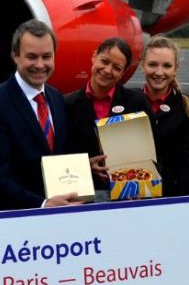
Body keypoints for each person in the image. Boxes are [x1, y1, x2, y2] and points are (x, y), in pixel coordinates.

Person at [0, 19, 84, 210]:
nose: (40, 65)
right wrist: (42, 204)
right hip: (18, 219)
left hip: (62, 213)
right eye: (32, 57)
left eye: (46, 57)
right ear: (15, 56)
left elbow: (59, 156)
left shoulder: (56, 98)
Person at [64, 37, 154, 190]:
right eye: (104, 61)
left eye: (116, 68)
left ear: (123, 73)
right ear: (94, 56)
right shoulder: (67, 104)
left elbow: (154, 152)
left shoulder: (136, 102)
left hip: (127, 196)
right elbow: (58, 156)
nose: (107, 70)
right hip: (82, 195)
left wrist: (141, 188)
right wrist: (85, 165)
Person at [138, 35, 189, 197]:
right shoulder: (128, 101)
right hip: (133, 194)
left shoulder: (187, 105)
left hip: (171, 196)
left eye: (167, 66)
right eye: (153, 65)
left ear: (175, 68)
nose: (159, 72)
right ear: (142, 65)